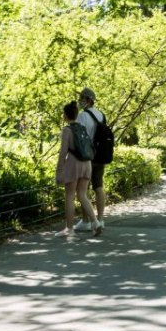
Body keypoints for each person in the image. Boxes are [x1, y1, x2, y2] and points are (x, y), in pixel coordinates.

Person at [55, 101, 100, 238]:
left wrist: (59, 171)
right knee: (82, 195)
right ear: (76, 114)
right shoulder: (82, 127)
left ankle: (69, 228)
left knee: (69, 196)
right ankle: (95, 223)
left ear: (65, 115)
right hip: (87, 164)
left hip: (74, 164)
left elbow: (63, 152)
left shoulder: (67, 130)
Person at [76, 88, 107, 233]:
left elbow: (78, 136)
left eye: (82, 98)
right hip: (100, 155)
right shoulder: (101, 115)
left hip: (86, 156)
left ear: (88, 100)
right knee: (98, 186)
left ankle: (86, 221)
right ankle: (100, 219)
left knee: (84, 189)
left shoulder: (82, 116)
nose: (80, 101)